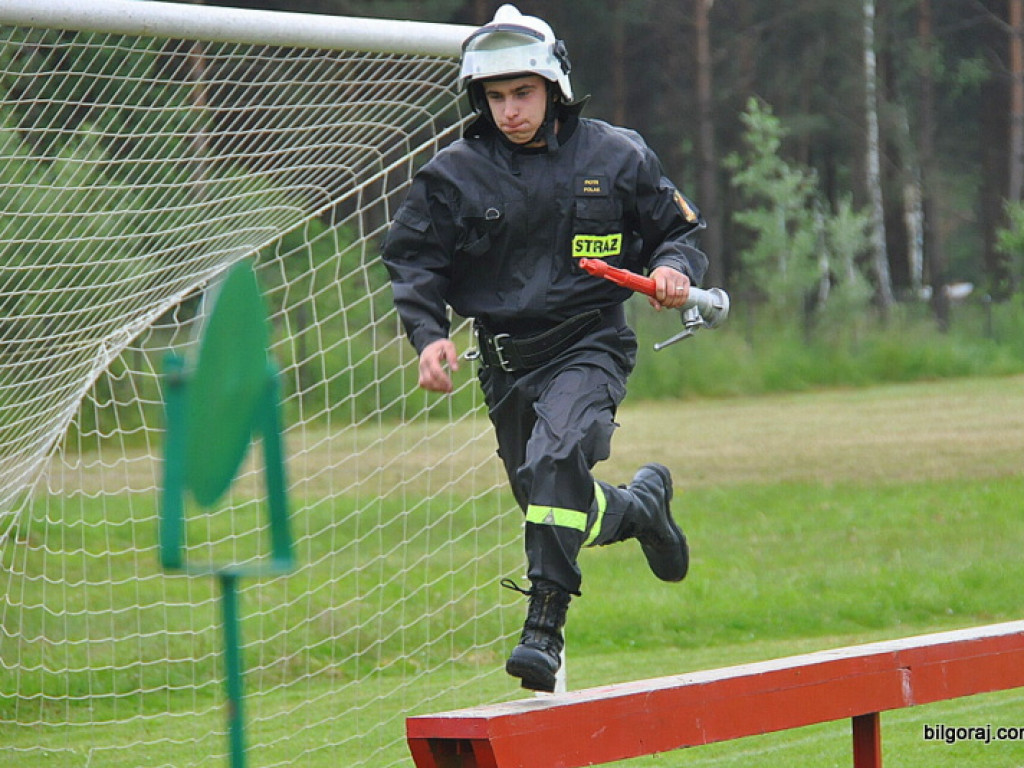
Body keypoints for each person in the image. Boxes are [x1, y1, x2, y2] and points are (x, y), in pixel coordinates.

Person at [382, 4, 709, 693]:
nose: (510, 110)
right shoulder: (452, 175)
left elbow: (677, 231)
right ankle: (643, 508)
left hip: (589, 345)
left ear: (555, 85)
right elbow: (413, 262)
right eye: (495, 97)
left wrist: (676, 268)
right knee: (549, 499)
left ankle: (545, 628)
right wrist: (429, 336)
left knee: (559, 458)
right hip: (504, 365)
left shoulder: (617, 155)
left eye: (522, 93)